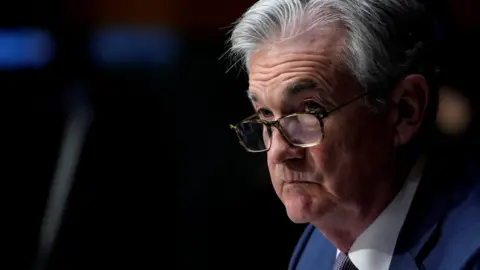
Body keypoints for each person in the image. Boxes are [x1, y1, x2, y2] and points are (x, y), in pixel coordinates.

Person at [227, 0, 480, 269]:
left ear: (404, 110)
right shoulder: (317, 249)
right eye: (266, 116)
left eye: (308, 112)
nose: (278, 151)